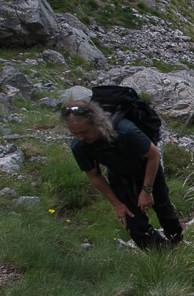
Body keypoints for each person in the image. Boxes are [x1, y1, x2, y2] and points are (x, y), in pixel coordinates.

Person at [61, 100, 183, 250]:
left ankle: (177, 241)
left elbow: (154, 155)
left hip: (147, 170)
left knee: (164, 211)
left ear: (96, 122)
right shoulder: (79, 146)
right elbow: (94, 175)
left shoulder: (125, 130)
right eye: (75, 133)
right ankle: (167, 256)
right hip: (120, 178)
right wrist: (117, 204)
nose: (80, 137)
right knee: (134, 226)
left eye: (84, 132)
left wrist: (147, 190)